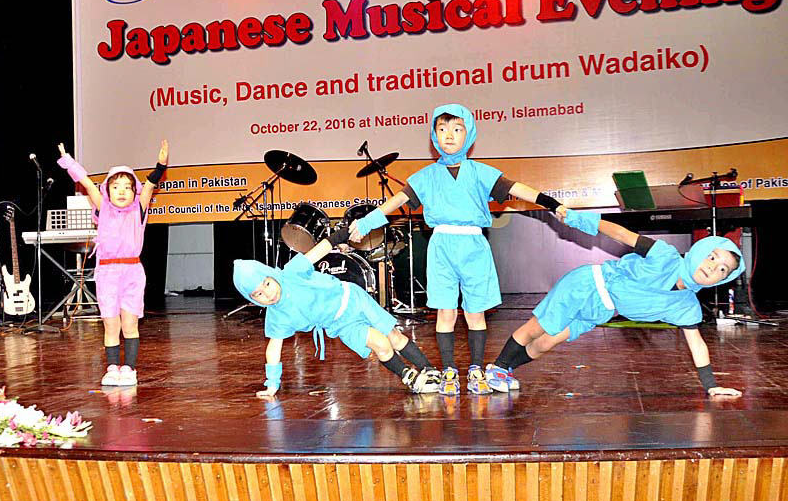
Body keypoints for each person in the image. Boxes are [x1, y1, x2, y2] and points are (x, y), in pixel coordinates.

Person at [348, 103, 568, 396]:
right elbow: (397, 201)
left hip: (474, 246)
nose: (448, 135)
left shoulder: (480, 172)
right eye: (441, 129)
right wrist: (367, 222)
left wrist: (552, 203)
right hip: (441, 246)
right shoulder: (426, 176)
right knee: (446, 312)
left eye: (456, 128)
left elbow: (517, 189)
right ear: (433, 136)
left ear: (469, 134)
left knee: (475, 312)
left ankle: (476, 369)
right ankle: (449, 369)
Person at [485, 213, 746, 397]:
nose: (713, 266)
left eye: (723, 269)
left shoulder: (687, 305)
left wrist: (711, 385)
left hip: (601, 310)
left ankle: (507, 369)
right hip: (588, 284)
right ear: (701, 250)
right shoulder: (664, 255)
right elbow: (622, 234)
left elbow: (697, 344)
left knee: (546, 343)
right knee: (537, 328)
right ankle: (496, 369)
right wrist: (579, 219)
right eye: (712, 257)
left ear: (723, 279)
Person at [233, 233, 442, 399]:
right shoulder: (277, 316)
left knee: (393, 336)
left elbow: (319, 250)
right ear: (252, 299)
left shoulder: (292, 272)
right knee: (381, 344)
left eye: (266, 284)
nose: (267, 294)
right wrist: (272, 383)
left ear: (271, 275)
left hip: (353, 299)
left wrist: (345, 233)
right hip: (341, 325)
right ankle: (409, 377)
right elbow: (274, 348)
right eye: (258, 294)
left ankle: (428, 369)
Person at [57, 140, 168, 386]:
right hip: (107, 272)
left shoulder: (139, 208)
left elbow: (150, 184)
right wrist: (68, 161)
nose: (121, 191)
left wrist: (161, 165)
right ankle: (111, 368)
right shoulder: (103, 208)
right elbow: (86, 182)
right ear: (107, 190)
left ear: (134, 192)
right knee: (110, 322)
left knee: (129, 323)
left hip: (132, 272)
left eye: (127, 187)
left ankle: (129, 368)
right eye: (115, 186)